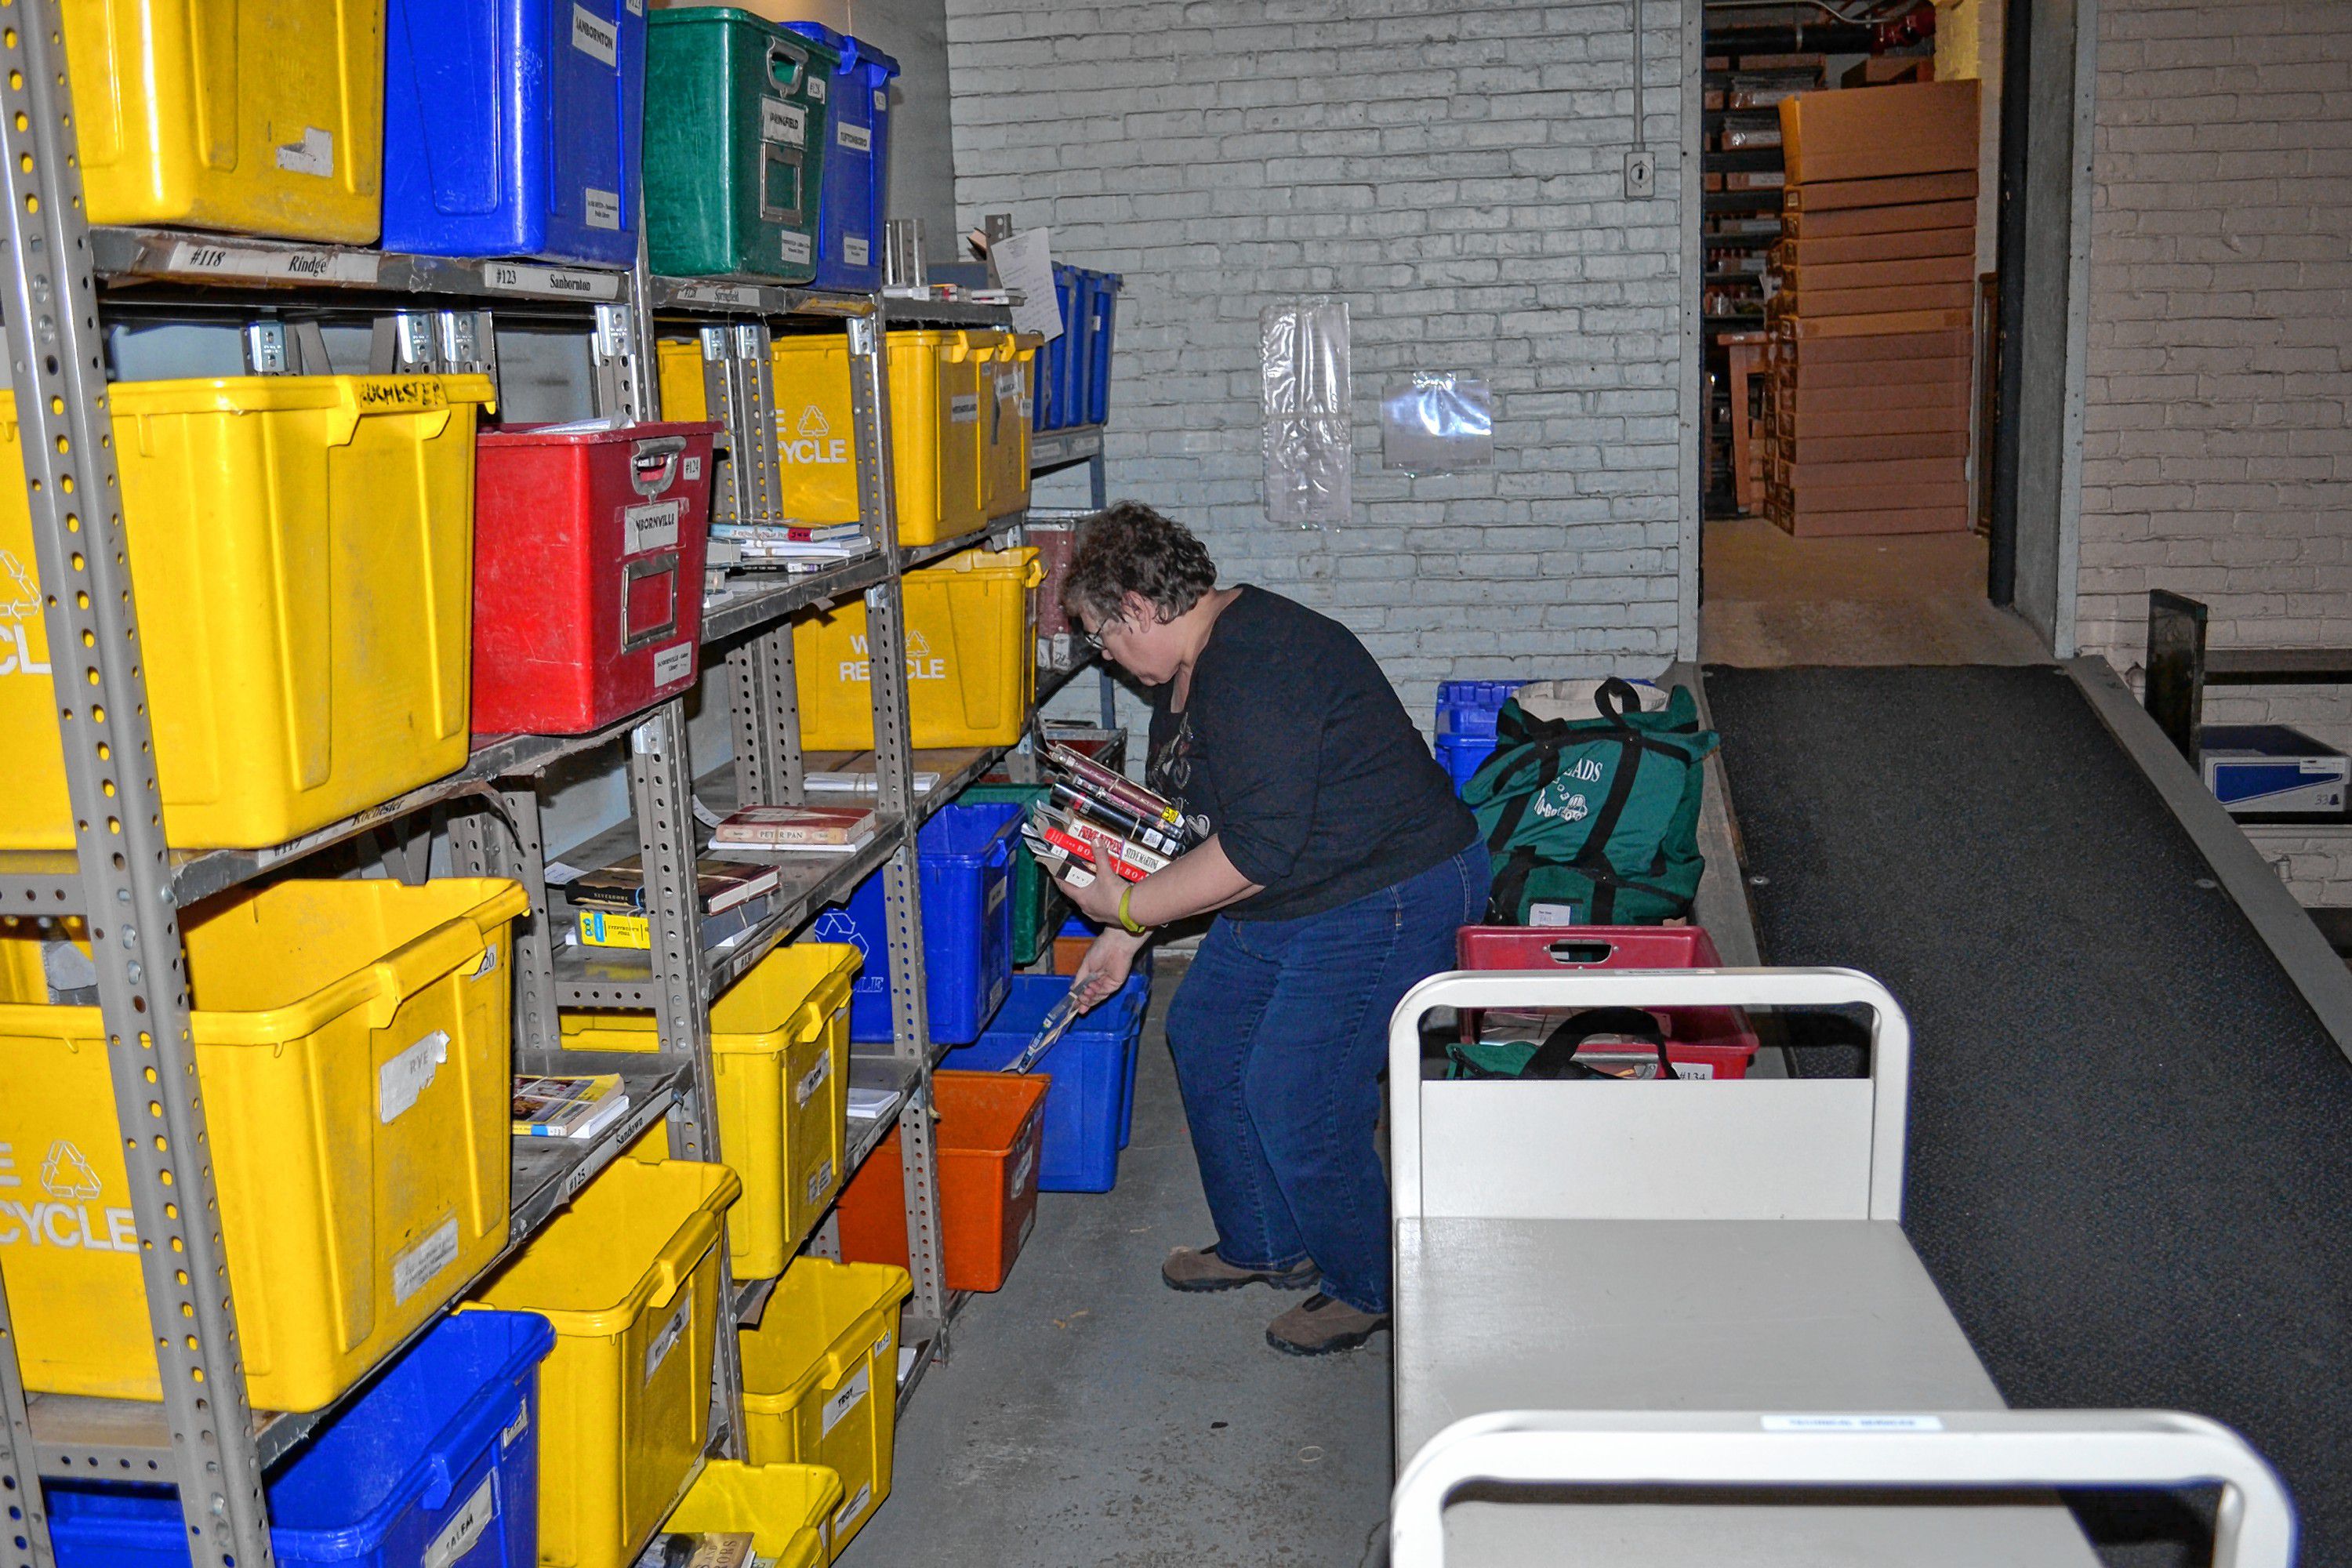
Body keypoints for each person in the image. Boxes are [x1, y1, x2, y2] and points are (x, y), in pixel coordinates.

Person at [1052, 502, 1491, 1356]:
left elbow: (1253, 848)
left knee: (1298, 1090)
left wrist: (1132, 909)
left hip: (1391, 883)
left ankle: (1368, 1283)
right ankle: (1266, 1240)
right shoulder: (1185, 670)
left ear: (1140, 606)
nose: (1103, 653)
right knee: (1208, 1033)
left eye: (1102, 634)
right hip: (1301, 883)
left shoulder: (1257, 661)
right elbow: (1199, 828)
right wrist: (1126, 937)